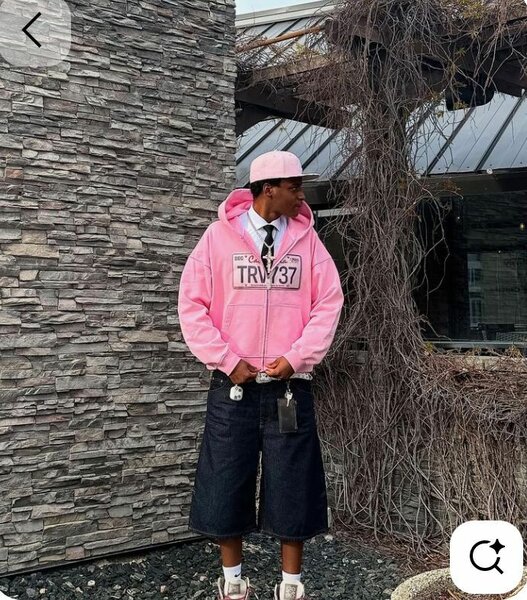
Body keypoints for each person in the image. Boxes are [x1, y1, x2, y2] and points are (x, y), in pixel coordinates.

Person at [177, 150, 344, 600]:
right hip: (232, 385)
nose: (301, 196)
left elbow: (329, 303)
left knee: (294, 482)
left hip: (290, 387)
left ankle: (291, 587)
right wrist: (226, 359)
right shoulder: (217, 238)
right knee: (226, 480)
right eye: (294, 187)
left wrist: (298, 357)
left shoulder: (308, 242)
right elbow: (191, 304)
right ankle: (233, 584)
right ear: (268, 188)